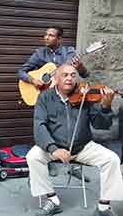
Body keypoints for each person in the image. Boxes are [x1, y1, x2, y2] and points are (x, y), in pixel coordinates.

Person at [26, 63, 123, 216]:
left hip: (82, 147)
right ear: (56, 78)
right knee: (33, 157)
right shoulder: (45, 97)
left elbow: (100, 125)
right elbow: (39, 125)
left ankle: (104, 206)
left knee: (112, 159)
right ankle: (52, 199)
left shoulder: (86, 95)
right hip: (54, 146)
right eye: (65, 75)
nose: (70, 78)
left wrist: (106, 106)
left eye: (73, 75)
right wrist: (53, 149)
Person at [17, 26, 90, 180]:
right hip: (47, 96)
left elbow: (85, 74)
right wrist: (33, 80)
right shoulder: (39, 53)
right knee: (43, 126)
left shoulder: (69, 53)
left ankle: (74, 164)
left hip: (69, 96)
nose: (46, 37)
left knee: (73, 127)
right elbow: (21, 71)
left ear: (59, 39)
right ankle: (49, 160)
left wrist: (80, 67)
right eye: (46, 35)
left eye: (51, 35)